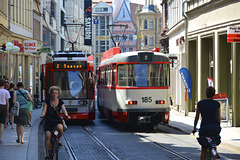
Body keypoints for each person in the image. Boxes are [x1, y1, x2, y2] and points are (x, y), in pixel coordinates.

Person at [40, 86, 70, 160]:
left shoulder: (60, 102)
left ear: (58, 94)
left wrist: (66, 115)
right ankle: (47, 154)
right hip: (49, 120)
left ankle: (58, 140)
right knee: (48, 136)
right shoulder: (47, 102)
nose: (54, 95)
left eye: (56, 93)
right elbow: (44, 110)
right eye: (53, 93)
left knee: (60, 128)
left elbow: (64, 109)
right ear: (51, 93)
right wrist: (42, 114)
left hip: (57, 120)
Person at [192, 87, 221, 160]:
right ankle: (215, 151)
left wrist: (194, 128)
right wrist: (218, 126)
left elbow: (197, 117)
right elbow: (219, 118)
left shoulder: (200, 103)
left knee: (204, 149)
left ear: (206, 94)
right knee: (214, 139)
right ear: (214, 94)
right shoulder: (217, 104)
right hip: (215, 128)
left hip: (205, 129)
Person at [0, 79, 10, 144]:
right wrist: (7, 110)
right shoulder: (6, 92)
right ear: (4, 84)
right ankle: (0, 138)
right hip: (3, 107)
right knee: (1, 124)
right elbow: (7, 102)